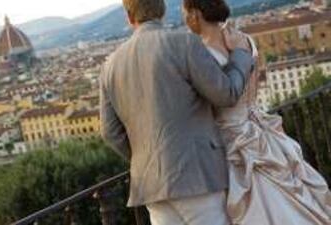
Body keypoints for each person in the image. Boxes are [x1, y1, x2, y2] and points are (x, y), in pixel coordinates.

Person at [100, 0, 255, 224]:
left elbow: (110, 133)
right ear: (162, 11)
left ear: (129, 17)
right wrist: (240, 55)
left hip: (152, 184)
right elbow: (226, 94)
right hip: (198, 175)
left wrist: (146, 156)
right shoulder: (183, 43)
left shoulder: (109, 66)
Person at [182, 0, 331, 224]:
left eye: (185, 13)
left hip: (232, 141)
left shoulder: (201, 54)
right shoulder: (244, 40)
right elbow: (253, 81)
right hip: (260, 129)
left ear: (195, 13)